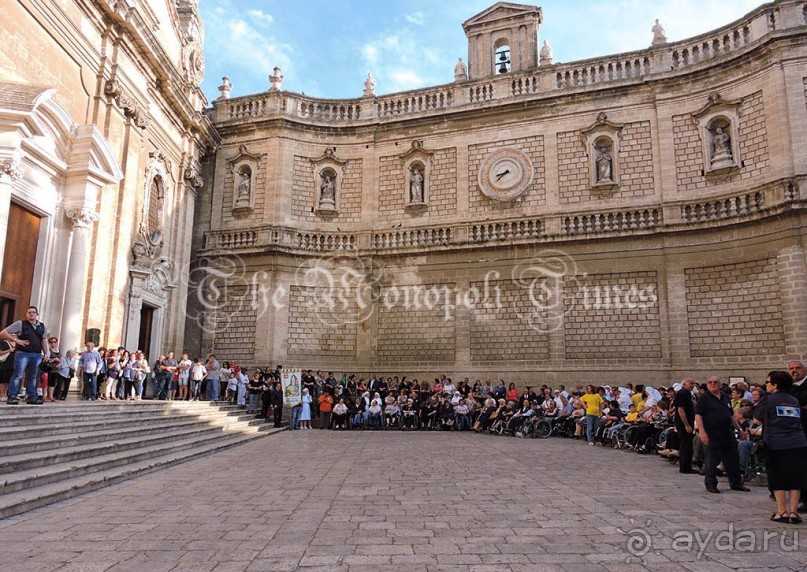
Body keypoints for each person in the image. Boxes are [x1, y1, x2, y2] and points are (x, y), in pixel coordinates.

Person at [755, 371, 807, 523]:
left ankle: (781, 512)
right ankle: (794, 512)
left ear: (775, 385)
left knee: (778, 478)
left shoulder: (768, 399)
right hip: (798, 442)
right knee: (795, 477)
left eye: (768, 382)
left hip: (777, 443)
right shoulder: (794, 400)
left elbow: (757, 419)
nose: (766, 384)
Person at [694, 376, 750, 494]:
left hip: (727, 433)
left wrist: (740, 430)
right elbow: (698, 415)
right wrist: (702, 432)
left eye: (715, 382)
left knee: (733, 459)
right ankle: (711, 484)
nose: (713, 384)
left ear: (720, 385)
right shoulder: (704, 398)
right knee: (711, 460)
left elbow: (730, 416)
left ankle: (736, 483)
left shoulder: (725, 397)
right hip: (711, 433)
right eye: (710, 382)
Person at [0, 306, 48, 405]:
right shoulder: (20, 324)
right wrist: (17, 340)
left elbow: (43, 340)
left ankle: (31, 397)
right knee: (18, 375)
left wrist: (46, 353)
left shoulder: (42, 326)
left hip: (36, 354)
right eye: (29, 312)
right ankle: (12, 396)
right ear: (26, 314)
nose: (31, 314)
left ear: (37, 314)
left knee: (33, 377)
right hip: (22, 353)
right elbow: (3, 332)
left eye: (33, 312)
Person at [674, 378, 696, 474]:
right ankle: (685, 467)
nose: (692, 385)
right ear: (684, 384)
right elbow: (681, 410)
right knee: (685, 445)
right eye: (690, 383)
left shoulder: (687, 393)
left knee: (688, 444)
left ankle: (687, 465)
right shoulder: (682, 394)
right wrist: (686, 425)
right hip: (683, 423)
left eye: (693, 383)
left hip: (688, 422)